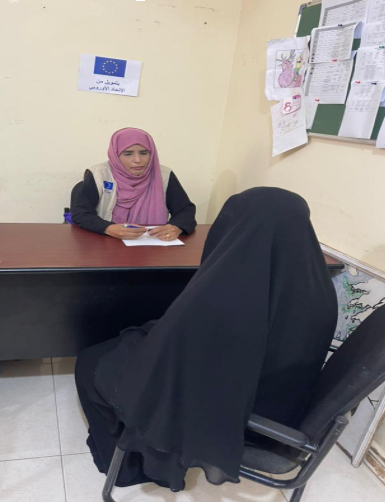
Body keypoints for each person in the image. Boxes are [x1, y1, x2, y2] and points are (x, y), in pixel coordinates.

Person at [75, 187, 338, 491]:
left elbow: (179, 359)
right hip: (281, 403)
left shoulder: (226, 297)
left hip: (232, 411)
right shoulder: (319, 288)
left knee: (92, 360)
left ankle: (127, 469)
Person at [71, 128, 197, 241]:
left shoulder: (163, 175)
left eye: (144, 153)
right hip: (105, 242)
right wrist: (107, 228)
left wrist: (177, 227)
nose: (138, 160)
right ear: (115, 155)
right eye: (128, 153)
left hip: (152, 244)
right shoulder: (99, 174)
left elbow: (185, 210)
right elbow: (81, 213)